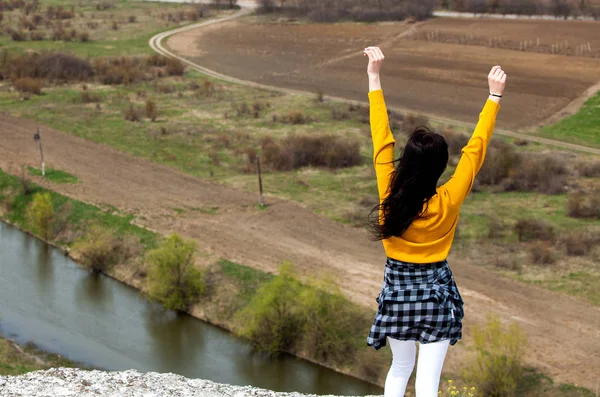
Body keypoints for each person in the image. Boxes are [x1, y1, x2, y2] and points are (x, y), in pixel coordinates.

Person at [363, 46, 506, 397]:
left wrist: (374, 77)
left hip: (397, 296)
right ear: (442, 167)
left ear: (406, 161)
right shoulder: (450, 197)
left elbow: (381, 138)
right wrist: (493, 97)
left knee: (399, 368)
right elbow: (475, 151)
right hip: (436, 300)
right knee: (428, 383)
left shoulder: (389, 194)